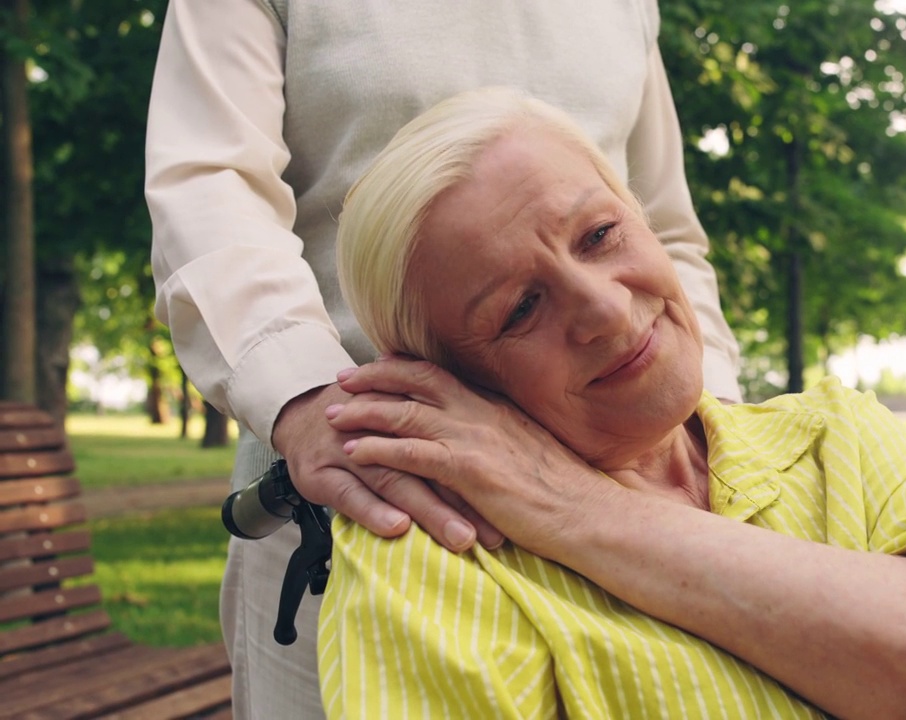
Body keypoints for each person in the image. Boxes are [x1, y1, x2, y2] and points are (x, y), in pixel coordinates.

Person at [318, 87, 906, 720]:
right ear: (449, 380)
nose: (610, 312)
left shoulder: (831, 436)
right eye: (519, 309)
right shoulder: (435, 549)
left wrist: (583, 513)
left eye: (598, 234)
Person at [144, 1, 742, 716]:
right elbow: (210, 183)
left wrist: (720, 428)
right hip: (373, 491)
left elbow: (664, 221)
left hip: (637, 495)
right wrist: (308, 404)